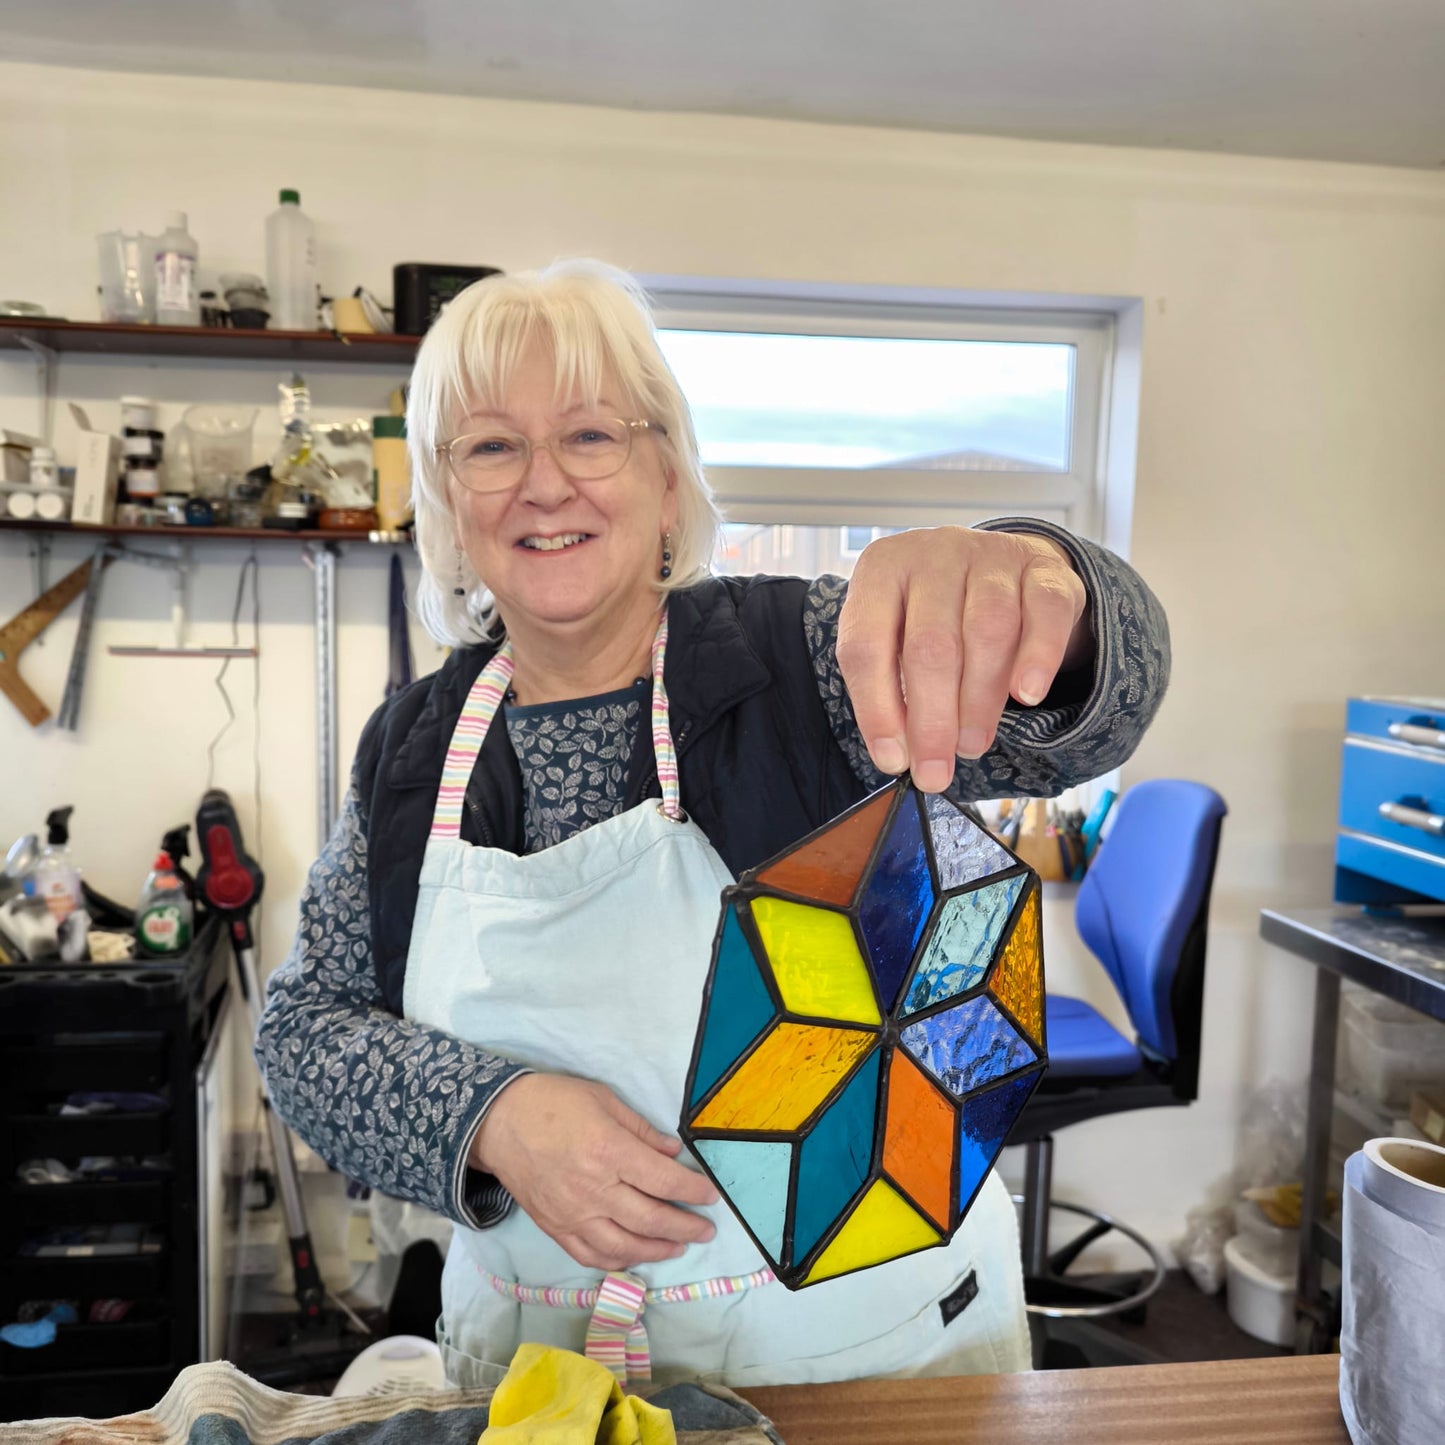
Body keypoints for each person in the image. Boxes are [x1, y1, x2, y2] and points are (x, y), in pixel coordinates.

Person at [256, 259, 1170, 1389]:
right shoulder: (412, 747)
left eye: (590, 435)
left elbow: (1084, 720)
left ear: (669, 483)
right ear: (445, 500)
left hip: (870, 1360)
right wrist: (492, 1117)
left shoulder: (808, 661)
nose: (543, 484)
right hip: (541, 1374)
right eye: (490, 446)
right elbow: (303, 1031)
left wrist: (1044, 590)